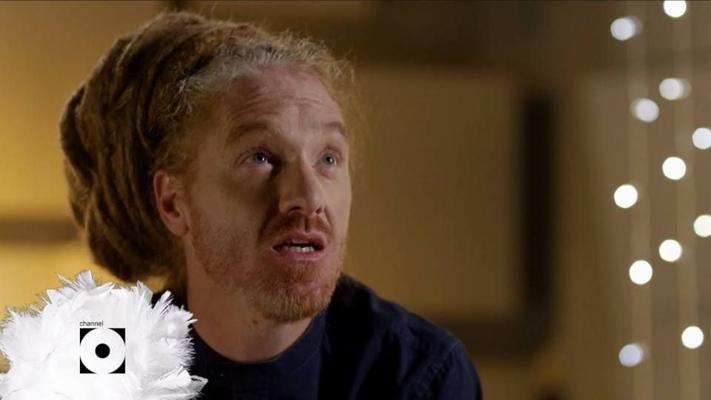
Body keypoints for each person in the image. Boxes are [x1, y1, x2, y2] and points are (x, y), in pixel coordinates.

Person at [59, 10, 483, 399]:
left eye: (328, 158)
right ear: (173, 203)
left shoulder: (417, 376)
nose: (309, 198)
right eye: (261, 157)